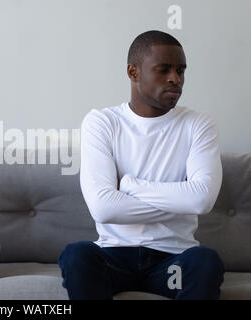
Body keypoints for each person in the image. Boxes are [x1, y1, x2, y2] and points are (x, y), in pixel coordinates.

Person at [58, 30, 225, 300]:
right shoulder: (102, 122)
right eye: (164, 69)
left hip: (173, 262)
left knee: (205, 261)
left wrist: (130, 186)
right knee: (77, 255)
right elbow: (103, 208)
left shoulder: (198, 124)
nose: (176, 79)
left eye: (181, 71)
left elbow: (201, 200)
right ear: (133, 72)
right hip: (114, 258)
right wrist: (178, 200)